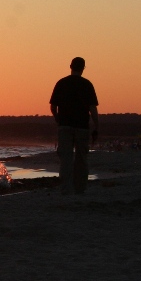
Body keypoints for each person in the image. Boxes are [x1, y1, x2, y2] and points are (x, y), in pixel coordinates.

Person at [50, 57, 99, 194]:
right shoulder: (87, 84)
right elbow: (92, 108)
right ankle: (80, 188)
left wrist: (58, 120)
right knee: (81, 158)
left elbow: (53, 107)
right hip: (82, 126)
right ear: (83, 68)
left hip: (65, 126)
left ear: (70, 66)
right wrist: (96, 126)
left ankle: (66, 188)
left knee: (66, 158)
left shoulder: (61, 83)